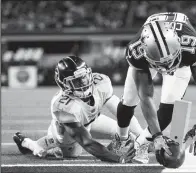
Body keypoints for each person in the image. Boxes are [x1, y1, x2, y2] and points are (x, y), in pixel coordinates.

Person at [108, 12, 196, 165]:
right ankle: (121, 138)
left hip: (180, 60)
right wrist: (158, 135)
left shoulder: (191, 45)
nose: (167, 69)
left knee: (168, 106)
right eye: (161, 66)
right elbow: (146, 97)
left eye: (170, 62)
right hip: (155, 58)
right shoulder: (136, 51)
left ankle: (141, 144)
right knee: (129, 100)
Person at [13, 55, 144, 163]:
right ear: (64, 84)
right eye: (76, 81)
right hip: (68, 135)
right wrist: (118, 158)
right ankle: (27, 143)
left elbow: (123, 113)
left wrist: (142, 137)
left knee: (127, 134)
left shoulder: (101, 82)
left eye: (84, 77)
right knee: (70, 153)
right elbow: (87, 142)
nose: (83, 83)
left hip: (92, 121)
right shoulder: (62, 105)